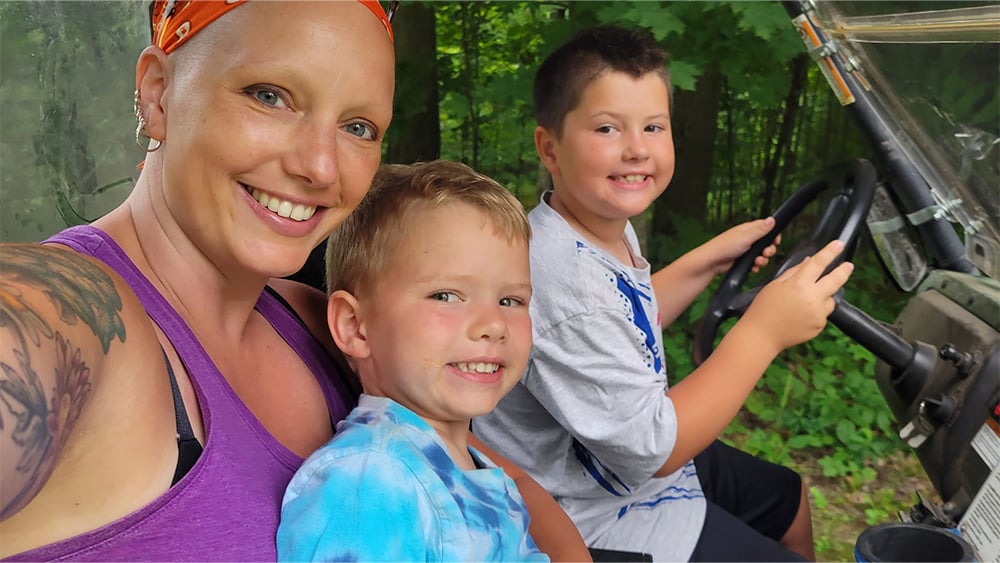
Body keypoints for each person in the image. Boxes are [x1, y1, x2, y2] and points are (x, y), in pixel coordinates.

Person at [0, 3, 588, 561]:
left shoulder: (322, 328)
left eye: (358, 126)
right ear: (157, 92)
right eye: (270, 96)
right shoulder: (68, 312)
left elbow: (511, 509)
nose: (319, 166)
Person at [474, 25, 855, 562]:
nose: (636, 150)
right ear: (549, 148)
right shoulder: (560, 277)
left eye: (654, 126)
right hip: (586, 513)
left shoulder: (590, 223)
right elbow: (657, 450)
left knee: (787, 497)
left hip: (617, 463)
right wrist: (763, 332)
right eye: (608, 128)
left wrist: (706, 261)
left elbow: (625, 317)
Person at [276, 160, 550, 562]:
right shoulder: (369, 481)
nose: (494, 324)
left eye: (510, 300)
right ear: (356, 326)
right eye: (446, 295)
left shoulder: (467, 464)